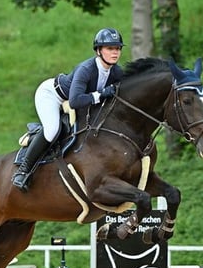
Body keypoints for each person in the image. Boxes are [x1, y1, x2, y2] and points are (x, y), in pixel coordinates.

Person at [12, 27, 125, 191]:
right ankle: (23, 171)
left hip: (75, 100)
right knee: (52, 130)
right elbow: (75, 101)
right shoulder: (86, 69)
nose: (115, 52)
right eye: (110, 48)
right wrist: (100, 94)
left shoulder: (116, 71)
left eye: (118, 48)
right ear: (99, 50)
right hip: (52, 95)